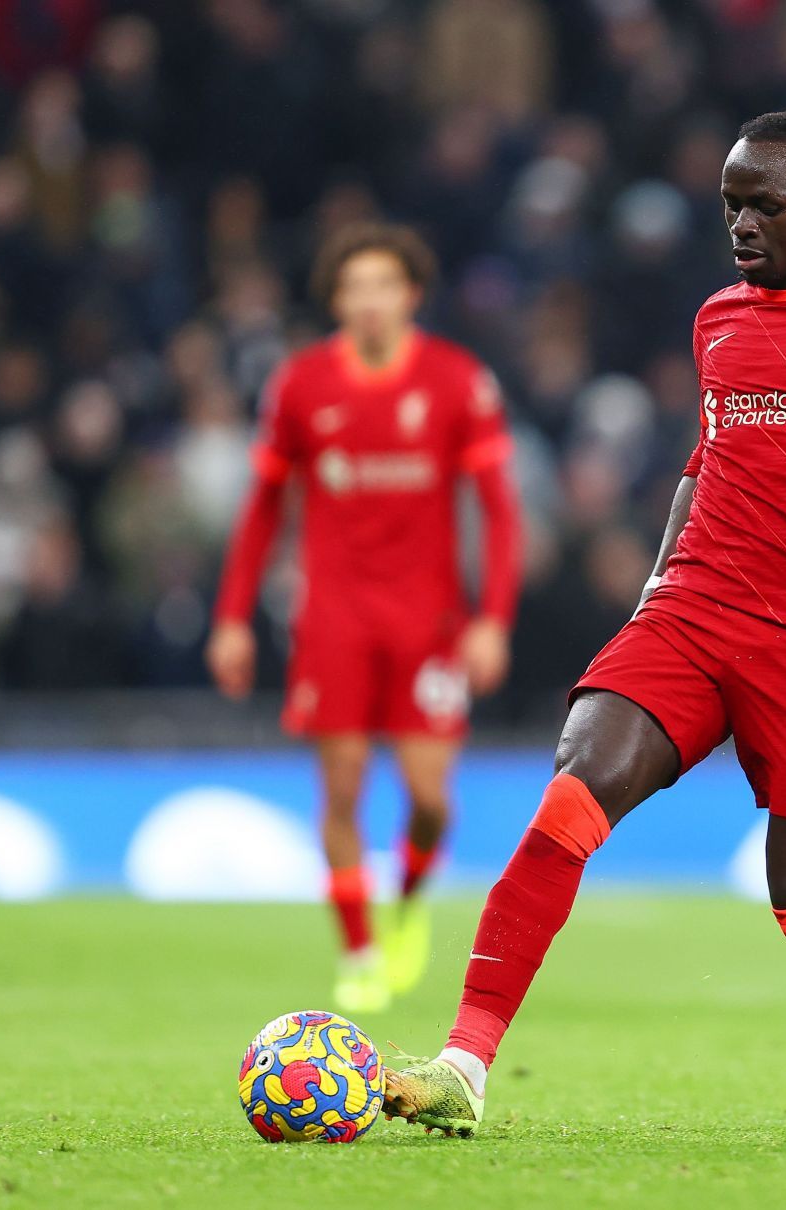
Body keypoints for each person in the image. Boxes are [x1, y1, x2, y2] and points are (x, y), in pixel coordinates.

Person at [382, 112, 786, 1138]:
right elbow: (707, 454)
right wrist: (656, 587)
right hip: (693, 610)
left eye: (762, 205)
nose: (737, 222)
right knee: (570, 796)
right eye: (729, 201)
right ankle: (465, 1062)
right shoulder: (718, 316)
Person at [208, 224, 521, 1014]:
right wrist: (233, 616)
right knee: (341, 788)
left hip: (430, 623)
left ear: (410, 295)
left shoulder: (456, 381)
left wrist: (493, 618)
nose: (370, 301)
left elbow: (500, 512)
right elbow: (261, 511)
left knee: (429, 798)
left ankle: (409, 902)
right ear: (338, 299)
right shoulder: (302, 386)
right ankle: (357, 949)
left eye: (385, 285)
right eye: (355, 287)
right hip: (335, 617)